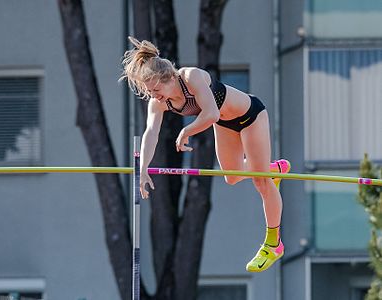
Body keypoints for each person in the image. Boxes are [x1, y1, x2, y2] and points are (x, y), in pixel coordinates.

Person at [120, 37, 291, 273]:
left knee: (261, 182)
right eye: (150, 91)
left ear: (168, 78)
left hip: (251, 116)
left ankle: (273, 243)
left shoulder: (191, 77)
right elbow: (151, 133)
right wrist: (143, 170)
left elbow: (211, 114)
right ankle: (273, 169)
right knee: (231, 177)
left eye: (156, 89)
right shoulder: (158, 103)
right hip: (226, 126)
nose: (154, 95)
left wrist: (186, 131)